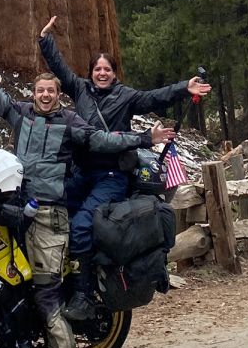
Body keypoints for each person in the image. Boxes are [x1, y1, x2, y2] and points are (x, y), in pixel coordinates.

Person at [0, 31, 172, 348]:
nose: (45, 95)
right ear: (33, 94)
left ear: (58, 95)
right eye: (40, 90)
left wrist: (141, 140)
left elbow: (104, 141)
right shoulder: (20, 115)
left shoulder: (70, 124)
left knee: (46, 291)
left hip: (49, 215)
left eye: (51, 91)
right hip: (14, 208)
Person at [38, 16, 211, 322]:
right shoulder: (80, 90)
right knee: (50, 210)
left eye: (107, 69)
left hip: (112, 176)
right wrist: (45, 41)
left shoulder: (126, 97)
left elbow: (155, 97)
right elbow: (60, 69)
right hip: (82, 173)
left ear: (114, 74)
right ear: (91, 73)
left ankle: (85, 294)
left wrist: (185, 87)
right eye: (97, 69)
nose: (102, 73)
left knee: (81, 225)